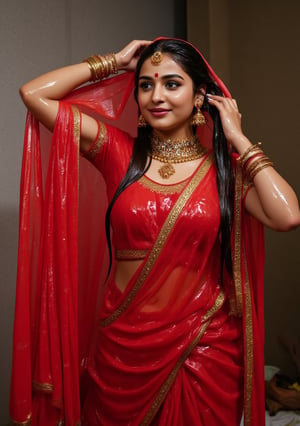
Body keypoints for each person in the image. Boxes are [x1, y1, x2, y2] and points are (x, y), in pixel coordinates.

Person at [10, 37, 300, 426]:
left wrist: (238, 138)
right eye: (146, 84)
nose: (156, 96)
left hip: (202, 346)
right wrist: (113, 62)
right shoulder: (118, 154)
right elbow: (34, 94)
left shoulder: (225, 172)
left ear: (201, 96)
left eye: (172, 83)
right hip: (124, 345)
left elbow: (287, 216)